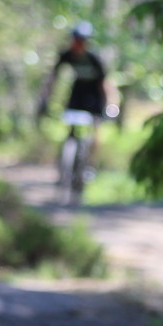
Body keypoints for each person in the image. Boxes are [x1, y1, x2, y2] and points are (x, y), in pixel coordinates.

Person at [35, 22, 120, 200]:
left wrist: (112, 105)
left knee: (95, 133)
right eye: (76, 40)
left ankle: (89, 166)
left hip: (95, 98)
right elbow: (52, 78)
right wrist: (44, 99)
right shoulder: (67, 56)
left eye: (81, 41)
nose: (78, 44)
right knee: (69, 131)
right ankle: (63, 167)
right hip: (77, 96)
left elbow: (106, 85)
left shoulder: (94, 59)